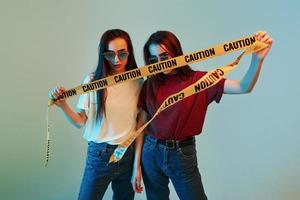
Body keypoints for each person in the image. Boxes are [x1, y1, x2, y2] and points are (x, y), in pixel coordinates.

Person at [138, 30, 272, 200]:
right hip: (150, 152)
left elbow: (243, 87)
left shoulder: (199, 81)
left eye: (164, 57)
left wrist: (257, 60)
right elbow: (142, 121)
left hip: (181, 154)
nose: (160, 63)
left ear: (176, 52)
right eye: (154, 59)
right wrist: (137, 165)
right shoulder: (150, 84)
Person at [49, 29, 144, 200]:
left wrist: (137, 166)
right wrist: (63, 105)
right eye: (110, 55)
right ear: (103, 55)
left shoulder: (138, 81)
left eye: (122, 54)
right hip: (99, 155)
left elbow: (140, 127)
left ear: (129, 53)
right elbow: (80, 122)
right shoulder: (92, 81)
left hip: (128, 155)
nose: (116, 60)